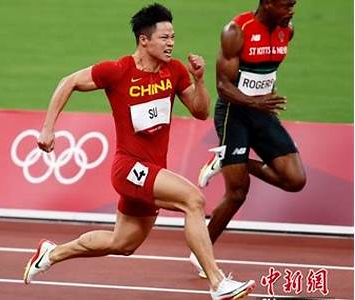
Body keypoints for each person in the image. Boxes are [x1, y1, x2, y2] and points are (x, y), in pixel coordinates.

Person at [23, 4, 255, 299]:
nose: (171, 43)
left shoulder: (174, 71)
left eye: (173, 37)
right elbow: (67, 82)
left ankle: (51, 254)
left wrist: (198, 79)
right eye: (164, 38)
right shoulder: (118, 70)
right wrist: (47, 128)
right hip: (128, 167)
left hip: (153, 168)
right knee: (193, 200)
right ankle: (217, 282)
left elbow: (200, 111)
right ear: (143, 40)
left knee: (123, 243)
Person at [192, 0, 306, 277]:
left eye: (294, 4)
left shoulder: (286, 29)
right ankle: (201, 255)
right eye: (286, 4)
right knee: (237, 193)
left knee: (295, 180)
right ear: (267, 3)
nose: (291, 10)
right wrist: (255, 103)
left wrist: (263, 98)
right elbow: (223, 86)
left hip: (262, 112)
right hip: (235, 113)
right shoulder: (236, 30)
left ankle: (225, 159)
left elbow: (265, 72)